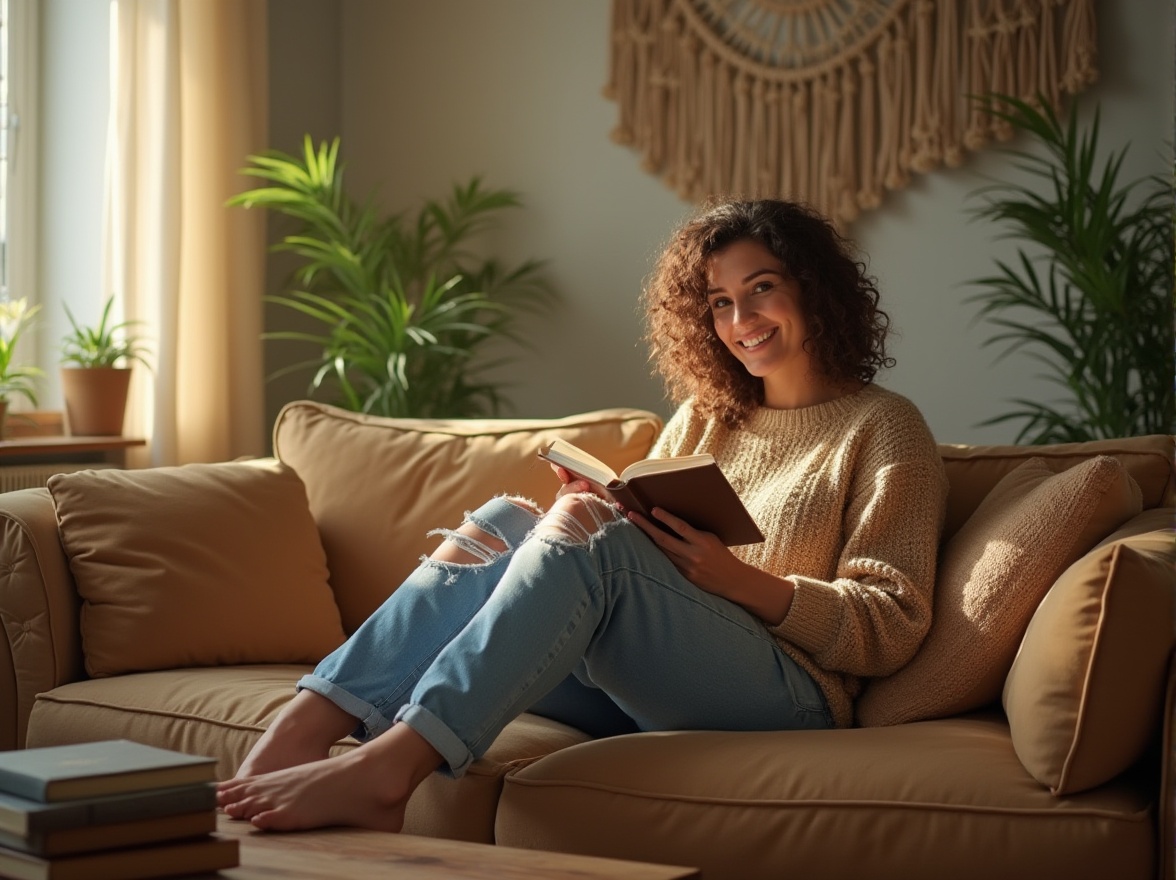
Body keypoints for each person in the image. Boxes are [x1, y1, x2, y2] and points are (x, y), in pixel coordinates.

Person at [217, 198, 949, 833]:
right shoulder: (706, 417)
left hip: (790, 696)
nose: (741, 319)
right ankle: (291, 737)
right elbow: (637, 547)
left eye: (761, 289)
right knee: (507, 522)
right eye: (720, 302)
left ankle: (390, 769)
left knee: (588, 540)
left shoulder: (884, 428)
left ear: (815, 290)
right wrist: (587, 509)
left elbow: (891, 625)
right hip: (649, 681)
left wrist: (736, 580)